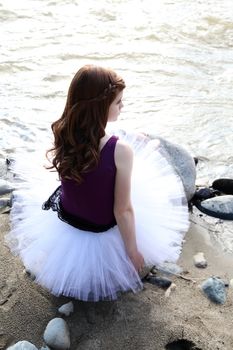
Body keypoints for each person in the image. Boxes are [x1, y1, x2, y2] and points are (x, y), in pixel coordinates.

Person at [6, 65, 189, 301]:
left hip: (69, 218)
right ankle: (147, 144)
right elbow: (122, 210)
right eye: (118, 103)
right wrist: (132, 251)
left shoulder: (63, 131)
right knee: (133, 173)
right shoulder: (120, 150)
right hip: (100, 226)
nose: (123, 106)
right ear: (100, 107)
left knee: (114, 158)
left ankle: (142, 140)